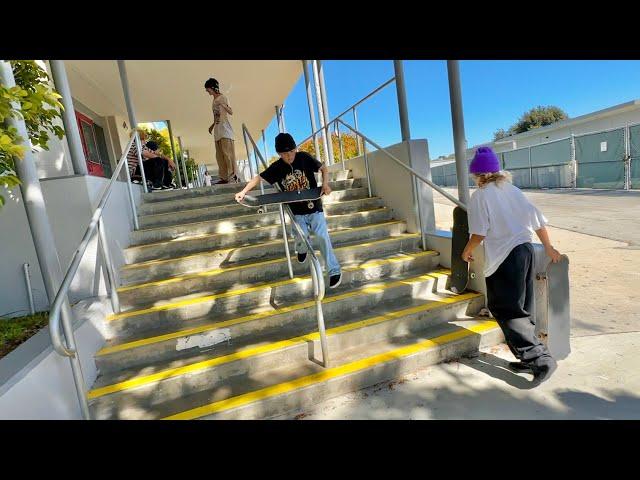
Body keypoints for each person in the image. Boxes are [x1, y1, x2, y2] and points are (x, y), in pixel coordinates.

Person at [462, 146, 561, 384]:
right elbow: (538, 219)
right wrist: (548, 247)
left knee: (506, 309)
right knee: (522, 308)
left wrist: (467, 250)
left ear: (477, 175)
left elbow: (479, 232)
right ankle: (529, 359)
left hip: (505, 257)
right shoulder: (512, 189)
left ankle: (540, 360)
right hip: (526, 251)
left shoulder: (481, 196)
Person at [234, 132, 342, 288]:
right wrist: (243, 192)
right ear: (279, 154)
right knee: (300, 237)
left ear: (295, 149)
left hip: (314, 207)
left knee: (322, 237)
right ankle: (301, 249)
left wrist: (325, 184)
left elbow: (324, 168)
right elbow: (259, 178)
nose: (289, 156)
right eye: (285, 154)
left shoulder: (304, 157)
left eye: (291, 151)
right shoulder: (277, 167)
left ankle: (333, 271)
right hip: (296, 212)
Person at [205, 78, 238, 184]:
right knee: (220, 156)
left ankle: (233, 176)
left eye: (208, 89)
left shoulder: (223, 97)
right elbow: (217, 116)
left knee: (228, 155)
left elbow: (231, 112)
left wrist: (223, 105)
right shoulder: (213, 101)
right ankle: (224, 178)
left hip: (226, 131)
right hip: (218, 131)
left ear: (213, 87)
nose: (207, 91)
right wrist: (212, 125)